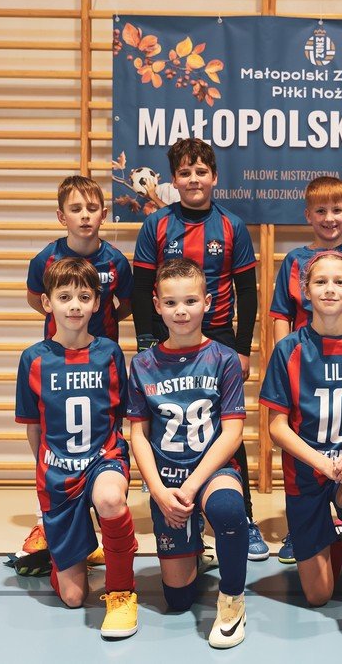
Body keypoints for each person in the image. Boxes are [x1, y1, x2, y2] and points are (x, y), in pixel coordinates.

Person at [132, 138, 268, 560]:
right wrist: (145, 343)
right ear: (173, 180)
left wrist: (243, 348)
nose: (194, 179)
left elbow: (247, 291)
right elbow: (141, 287)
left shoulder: (231, 226)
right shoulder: (156, 225)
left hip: (219, 338)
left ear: (214, 177)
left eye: (201, 172)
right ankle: (176, 508)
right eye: (185, 172)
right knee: (166, 421)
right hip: (166, 337)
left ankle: (242, 518)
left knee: (228, 429)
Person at [260, 251, 342, 651]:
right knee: (317, 595)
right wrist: (322, 461)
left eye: (340, 282)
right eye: (320, 282)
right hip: (305, 471)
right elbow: (276, 427)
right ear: (306, 291)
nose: (330, 289)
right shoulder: (288, 350)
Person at [127, 258, 250, 649]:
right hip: (167, 479)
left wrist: (194, 485)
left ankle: (232, 600)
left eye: (190, 301)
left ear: (207, 302)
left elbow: (233, 432)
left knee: (228, 510)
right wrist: (159, 492)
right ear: (157, 306)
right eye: (171, 302)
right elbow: (138, 434)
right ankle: (194, 548)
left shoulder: (224, 359)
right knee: (178, 600)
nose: (181, 311)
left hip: (211, 472)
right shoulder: (142, 364)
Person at [14, 257, 138, 638]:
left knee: (111, 499)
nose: (74, 306)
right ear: (47, 302)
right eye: (64, 297)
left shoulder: (110, 353)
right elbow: (34, 428)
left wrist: (111, 460)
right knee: (72, 597)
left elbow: (120, 416)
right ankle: (70, 550)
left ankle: (122, 592)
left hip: (103, 459)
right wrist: (49, 468)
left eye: (84, 297)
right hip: (59, 472)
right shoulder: (33, 359)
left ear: (97, 303)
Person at [269, 175, 342, 564]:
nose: (329, 218)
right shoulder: (294, 262)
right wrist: (283, 358)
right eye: (321, 210)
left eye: (337, 210)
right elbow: (281, 316)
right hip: (307, 365)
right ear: (308, 215)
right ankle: (313, 532)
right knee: (315, 592)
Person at [19, 175, 133, 564]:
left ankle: (100, 516)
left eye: (92, 208)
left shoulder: (116, 261)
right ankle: (48, 520)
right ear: (61, 216)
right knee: (55, 439)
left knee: (104, 434)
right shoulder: (45, 260)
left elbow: (125, 304)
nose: (85, 216)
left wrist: (96, 332)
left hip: (100, 361)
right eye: (76, 209)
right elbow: (35, 297)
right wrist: (64, 327)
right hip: (59, 361)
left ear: (104, 213)